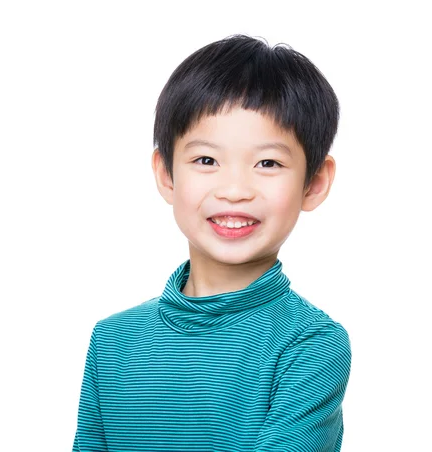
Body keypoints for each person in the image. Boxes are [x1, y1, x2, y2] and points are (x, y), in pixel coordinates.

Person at [72, 34, 352, 452]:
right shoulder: (113, 340)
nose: (235, 189)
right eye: (206, 160)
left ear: (313, 183)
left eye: (268, 163)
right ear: (166, 174)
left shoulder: (309, 344)